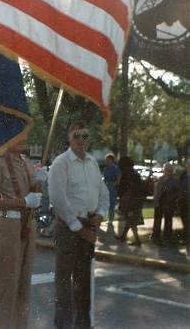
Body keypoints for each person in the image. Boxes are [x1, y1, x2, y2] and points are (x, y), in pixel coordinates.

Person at [48, 120, 109, 329]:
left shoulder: (92, 162)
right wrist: (78, 228)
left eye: (85, 136)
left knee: (84, 282)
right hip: (68, 228)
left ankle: (83, 325)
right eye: (77, 136)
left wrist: (100, 214)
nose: (81, 140)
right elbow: (58, 198)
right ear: (69, 138)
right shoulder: (61, 163)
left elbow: (104, 194)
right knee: (65, 283)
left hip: (89, 225)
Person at [0, 137, 44, 329]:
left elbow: (35, 194)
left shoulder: (26, 163)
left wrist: (40, 182)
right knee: (7, 287)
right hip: (8, 223)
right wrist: (23, 202)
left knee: (23, 287)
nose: (24, 138)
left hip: (27, 224)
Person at [115, 156, 144, 246]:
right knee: (129, 219)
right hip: (135, 201)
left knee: (131, 220)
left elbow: (121, 188)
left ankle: (137, 240)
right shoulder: (135, 174)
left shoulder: (126, 174)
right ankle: (124, 236)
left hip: (130, 202)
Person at [152, 163, 180, 244]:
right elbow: (156, 191)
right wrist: (155, 200)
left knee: (168, 220)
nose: (167, 171)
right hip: (159, 203)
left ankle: (167, 237)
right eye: (165, 169)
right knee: (157, 220)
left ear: (171, 171)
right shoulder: (160, 179)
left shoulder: (175, 181)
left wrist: (172, 199)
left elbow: (177, 192)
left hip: (169, 203)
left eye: (168, 169)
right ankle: (156, 236)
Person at [103, 153, 121, 225]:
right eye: (106, 160)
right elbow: (105, 179)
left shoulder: (116, 169)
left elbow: (118, 179)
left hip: (112, 188)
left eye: (108, 160)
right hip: (106, 187)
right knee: (105, 204)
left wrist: (114, 184)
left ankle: (111, 219)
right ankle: (107, 218)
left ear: (112, 160)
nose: (107, 161)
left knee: (111, 204)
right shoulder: (106, 169)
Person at [177, 159, 189, 244]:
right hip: (183, 201)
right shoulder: (184, 175)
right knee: (184, 219)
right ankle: (186, 238)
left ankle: (187, 238)